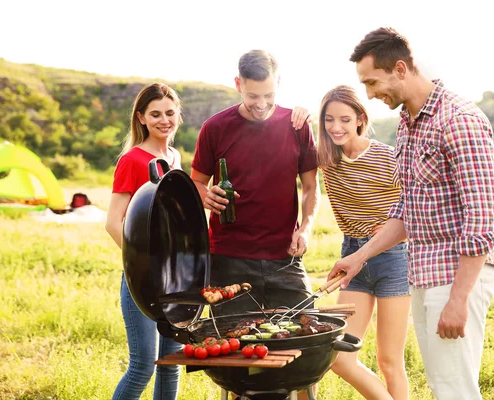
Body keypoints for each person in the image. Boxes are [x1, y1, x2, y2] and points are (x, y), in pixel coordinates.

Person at [327, 28, 494, 400]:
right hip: (422, 273)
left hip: (456, 275)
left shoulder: (458, 120)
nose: (371, 95)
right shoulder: (409, 124)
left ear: (401, 68)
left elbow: (482, 218)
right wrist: (358, 257)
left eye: (373, 82)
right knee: (443, 383)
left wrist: (459, 298)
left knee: (455, 387)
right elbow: (406, 209)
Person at [190, 49, 320, 399]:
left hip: (284, 258)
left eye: (269, 95)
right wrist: (206, 194)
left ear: (279, 84)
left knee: (307, 344)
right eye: (252, 96)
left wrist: (305, 228)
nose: (261, 104)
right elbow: (196, 181)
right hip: (230, 258)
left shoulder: (297, 126)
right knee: (234, 353)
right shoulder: (215, 127)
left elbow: (310, 188)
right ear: (238, 85)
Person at [317, 85, 410, 400]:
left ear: (360, 119)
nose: (336, 127)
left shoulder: (386, 155)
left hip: (393, 257)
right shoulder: (326, 159)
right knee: (341, 358)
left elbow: (412, 210)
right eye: (329, 120)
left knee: (389, 360)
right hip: (351, 256)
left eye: (344, 119)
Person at [105, 82, 185, 400]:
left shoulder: (174, 156)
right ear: (141, 118)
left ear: (178, 115)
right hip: (143, 281)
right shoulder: (132, 160)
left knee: (170, 363)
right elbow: (113, 223)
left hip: (175, 278)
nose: (163, 120)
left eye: (169, 112)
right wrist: (143, 265)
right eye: (155, 114)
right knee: (143, 367)